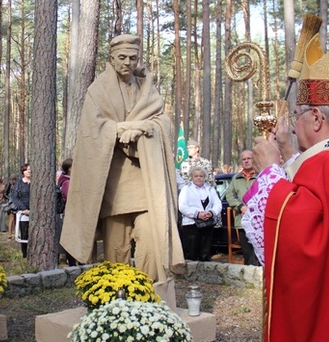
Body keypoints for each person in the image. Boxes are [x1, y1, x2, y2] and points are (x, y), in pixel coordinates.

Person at [242, 33, 329, 341]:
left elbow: (300, 236)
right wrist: (288, 153)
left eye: (298, 116)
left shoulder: (328, 164)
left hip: (326, 312)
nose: (294, 126)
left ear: (318, 118)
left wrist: (269, 171)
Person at [60, 34, 183, 306]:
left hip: (146, 183)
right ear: (111, 58)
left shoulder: (147, 89)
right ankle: (117, 307)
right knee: (116, 253)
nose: (128, 63)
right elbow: (93, 131)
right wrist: (123, 129)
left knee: (152, 243)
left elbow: (162, 121)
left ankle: (151, 302)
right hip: (113, 188)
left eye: (133, 58)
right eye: (122, 58)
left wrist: (150, 128)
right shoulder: (98, 90)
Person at [178, 166, 222, 261]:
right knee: (192, 254)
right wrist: (197, 214)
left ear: (204, 177)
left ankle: (205, 274)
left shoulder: (210, 189)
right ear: (192, 177)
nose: (198, 178)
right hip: (191, 225)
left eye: (201, 176)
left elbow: (218, 204)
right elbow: (182, 206)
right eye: (196, 176)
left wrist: (211, 212)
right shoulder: (186, 189)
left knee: (205, 253)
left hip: (207, 224)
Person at [224, 150, 259, 265]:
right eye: (244, 159)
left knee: (260, 251)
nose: (247, 161)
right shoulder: (236, 178)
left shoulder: (261, 175)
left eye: (249, 158)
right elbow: (229, 195)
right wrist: (240, 207)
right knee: (247, 252)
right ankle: (249, 278)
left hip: (259, 220)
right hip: (243, 221)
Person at [57, 158, 78, 266]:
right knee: (72, 238)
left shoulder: (68, 181)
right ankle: (73, 262)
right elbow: (71, 198)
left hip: (72, 213)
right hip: (70, 214)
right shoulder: (67, 183)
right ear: (69, 169)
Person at [11, 163, 31, 258]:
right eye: (27, 170)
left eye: (30, 169)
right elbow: (14, 197)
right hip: (23, 213)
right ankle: (25, 254)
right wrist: (23, 209)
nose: (29, 171)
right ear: (23, 172)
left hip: (35, 212)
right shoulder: (19, 183)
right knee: (24, 233)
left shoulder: (35, 182)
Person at [4, 172, 19, 240]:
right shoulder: (9, 184)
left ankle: (16, 234)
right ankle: (9, 235)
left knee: (16, 219)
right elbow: (5, 194)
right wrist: (10, 199)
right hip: (11, 204)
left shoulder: (18, 184)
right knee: (12, 219)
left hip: (17, 203)